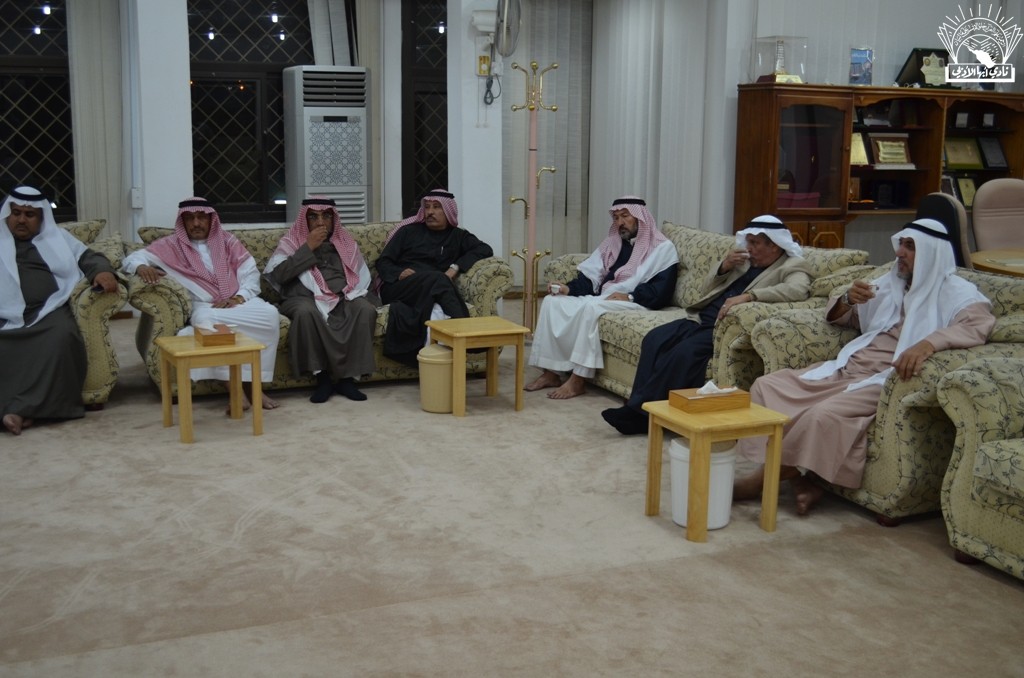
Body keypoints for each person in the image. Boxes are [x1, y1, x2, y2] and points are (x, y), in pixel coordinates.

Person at [733, 218, 995, 515]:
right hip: (851, 365)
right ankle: (801, 480)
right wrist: (848, 299)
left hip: (885, 378)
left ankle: (759, 482)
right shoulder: (890, 282)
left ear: (932, 253)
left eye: (910, 247)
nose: (900, 253)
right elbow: (846, 317)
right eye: (901, 244)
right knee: (767, 386)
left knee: (823, 415)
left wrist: (929, 343)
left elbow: (978, 327)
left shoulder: (958, 293)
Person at [602, 215, 813, 434]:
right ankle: (640, 406)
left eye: (755, 243)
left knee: (683, 353)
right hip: (699, 317)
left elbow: (797, 290)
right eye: (748, 241)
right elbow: (706, 289)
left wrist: (750, 296)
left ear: (775, 245)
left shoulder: (792, 264)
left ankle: (641, 414)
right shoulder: (744, 261)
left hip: (723, 328)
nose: (748, 248)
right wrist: (724, 267)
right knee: (654, 339)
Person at [122, 197, 281, 410]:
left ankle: (254, 387)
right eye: (190, 218)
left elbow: (250, 273)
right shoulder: (170, 246)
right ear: (183, 221)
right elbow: (130, 258)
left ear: (211, 220)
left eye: (201, 218)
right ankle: (236, 391)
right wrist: (141, 267)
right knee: (207, 323)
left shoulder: (228, 242)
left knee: (270, 315)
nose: (196, 223)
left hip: (238, 301)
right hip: (205, 307)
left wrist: (239, 297)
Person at [524, 196, 679, 400]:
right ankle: (551, 373)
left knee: (592, 309)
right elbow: (592, 277)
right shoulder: (613, 242)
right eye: (616, 217)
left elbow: (662, 291)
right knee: (553, 302)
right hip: (607, 297)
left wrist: (630, 296)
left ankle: (578, 380)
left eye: (625, 216)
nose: (620, 222)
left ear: (640, 217)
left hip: (639, 303)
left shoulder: (662, 248)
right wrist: (568, 289)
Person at [0, 186, 119, 435]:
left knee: (62, 336)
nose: (21, 220)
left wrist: (102, 272)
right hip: (3, 313)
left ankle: (23, 410)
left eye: (29, 215)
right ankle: (21, 411)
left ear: (41, 217)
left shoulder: (58, 238)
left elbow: (91, 257)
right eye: (16, 213)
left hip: (47, 310)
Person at [264, 196, 377, 403]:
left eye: (326, 216)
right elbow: (279, 276)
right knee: (306, 313)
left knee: (365, 309)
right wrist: (308, 247)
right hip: (302, 297)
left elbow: (360, 278)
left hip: (342, 296)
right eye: (313, 217)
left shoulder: (345, 243)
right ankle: (322, 379)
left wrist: (346, 293)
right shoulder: (291, 242)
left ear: (334, 219)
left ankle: (347, 380)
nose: (320, 222)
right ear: (304, 220)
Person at [375, 189, 494, 366]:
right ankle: (467, 334)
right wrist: (399, 272)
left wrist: (455, 267)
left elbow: (484, 249)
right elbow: (383, 262)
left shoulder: (458, 236)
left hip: (433, 289)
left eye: (436, 207)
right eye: (427, 207)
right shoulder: (408, 231)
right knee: (438, 278)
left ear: (448, 211)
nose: (430, 212)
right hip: (401, 287)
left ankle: (459, 335)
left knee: (437, 279)